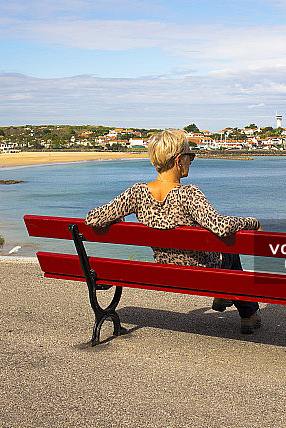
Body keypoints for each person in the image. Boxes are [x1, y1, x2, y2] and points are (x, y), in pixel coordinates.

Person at [85, 129, 262, 333]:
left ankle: (226, 297)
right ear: (179, 160)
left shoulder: (137, 193)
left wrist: (116, 217)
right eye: (190, 157)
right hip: (202, 273)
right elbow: (221, 227)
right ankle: (247, 313)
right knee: (230, 249)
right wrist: (252, 223)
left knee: (226, 252)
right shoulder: (189, 194)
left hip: (164, 270)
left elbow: (92, 218)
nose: (191, 162)